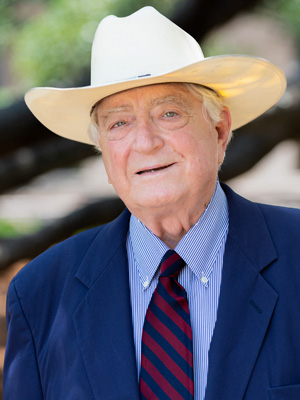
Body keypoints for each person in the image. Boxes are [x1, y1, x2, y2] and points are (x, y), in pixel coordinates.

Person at [4, 6, 300, 400]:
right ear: (104, 152)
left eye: (169, 113)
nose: (145, 142)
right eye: (119, 123)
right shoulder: (40, 293)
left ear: (219, 131)